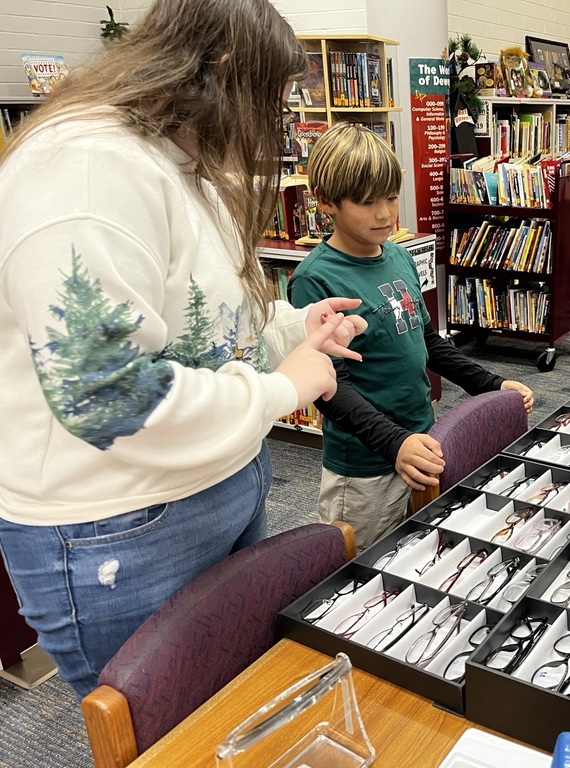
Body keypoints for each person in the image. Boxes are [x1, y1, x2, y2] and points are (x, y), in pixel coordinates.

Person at [0, 0, 367, 699]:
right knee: (170, 735)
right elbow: (105, 395)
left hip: (208, 488)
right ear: (223, 75)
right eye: (273, 99)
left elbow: (202, 325)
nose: (279, 123)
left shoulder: (179, 161)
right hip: (119, 530)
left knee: (228, 709)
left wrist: (292, 329)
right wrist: (280, 390)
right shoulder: (84, 170)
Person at [288, 123, 534, 552]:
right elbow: (331, 390)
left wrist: (490, 384)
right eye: (367, 202)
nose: (384, 213)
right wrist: (394, 442)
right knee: (364, 569)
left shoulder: (399, 255)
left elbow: (426, 341)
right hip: (365, 469)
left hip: (422, 440)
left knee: (418, 555)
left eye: (391, 197)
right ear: (326, 202)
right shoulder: (315, 279)